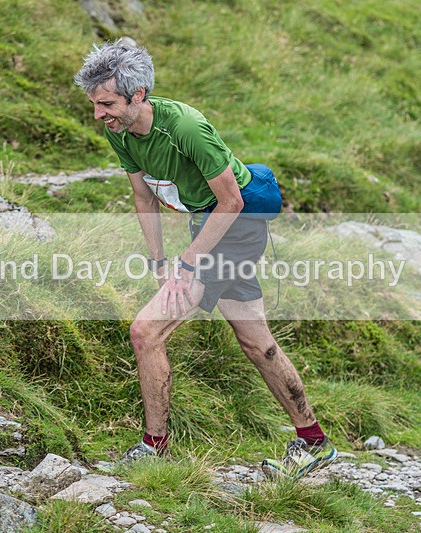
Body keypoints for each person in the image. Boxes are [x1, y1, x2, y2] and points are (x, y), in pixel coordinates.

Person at [74, 41, 336, 479]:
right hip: (210, 224)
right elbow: (143, 196)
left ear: (138, 95)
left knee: (145, 331)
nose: (98, 115)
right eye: (94, 105)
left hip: (238, 224)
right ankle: (313, 442)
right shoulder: (119, 130)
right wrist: (160, 262)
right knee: (256, 342)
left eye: (106, 104)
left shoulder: (187, 127)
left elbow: (231, 200)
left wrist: (189, 264)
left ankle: (153, 448)